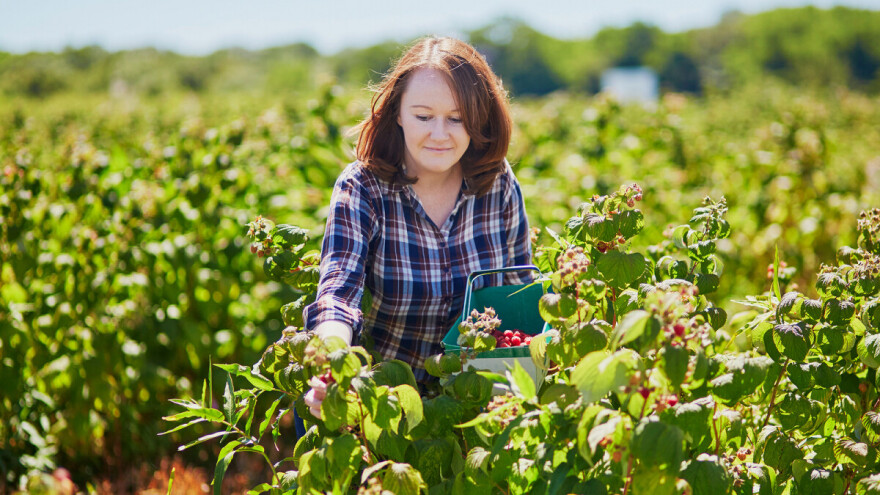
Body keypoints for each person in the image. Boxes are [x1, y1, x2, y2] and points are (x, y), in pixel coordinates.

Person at [301, 36, 534, 419]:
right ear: (397, 113)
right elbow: (338, 293)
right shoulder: (364, 187)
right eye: (423, 117)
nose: (440, 134)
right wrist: (334, 363)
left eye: (457, 119)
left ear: (479, 119)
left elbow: (519, 294)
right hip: (380, 406)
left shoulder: (497, 183)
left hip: (473, 404)